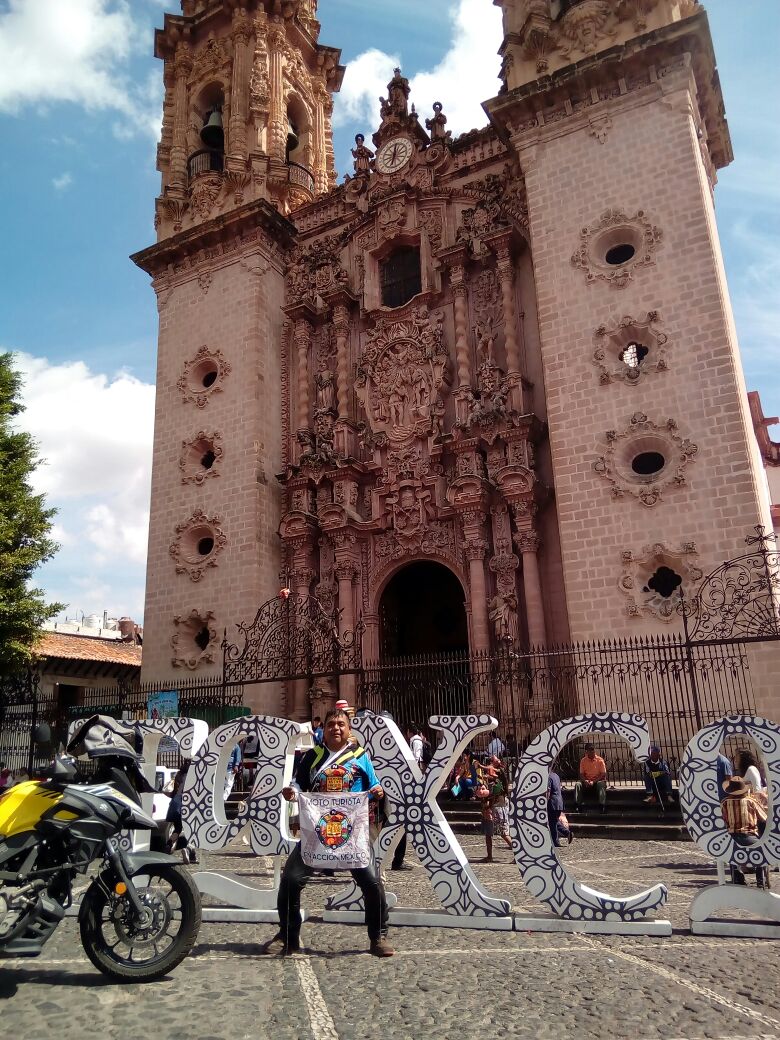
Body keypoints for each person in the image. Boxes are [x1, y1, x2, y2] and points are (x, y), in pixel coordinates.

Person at [262, 707, 394, 957]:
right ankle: (287, 936)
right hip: (317, 832)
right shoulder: (313, 756)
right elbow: (298, 782)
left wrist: (377, 791)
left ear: (349, 729)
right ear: (324, 729)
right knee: (291, 880)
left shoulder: (360, 756)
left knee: (372, 883)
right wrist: (292, 791)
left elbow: (374, 783)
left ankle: (379, 936)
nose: (336, 728)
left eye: (341, 724)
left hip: (352, 834)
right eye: (332, 724)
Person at [721, 776, 770, 889]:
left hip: (731, 837)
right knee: (762, 852)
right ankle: (760, 881)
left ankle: (737, 879)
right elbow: (763, 818)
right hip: (749, 836)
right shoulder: (750, 801)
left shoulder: (724, 802)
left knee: (732, 855)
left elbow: (722, 819)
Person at [166, 762, 198, 864]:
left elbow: (175, 791)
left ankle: (169, 843)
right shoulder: (194, 776)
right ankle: (188, 850)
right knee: (194, 830)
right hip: (188, 803)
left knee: (178, 828)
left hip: (176, 802)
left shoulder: (179, 775)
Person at [574, 743, 607, 814]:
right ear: (586, 752)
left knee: (601, 784)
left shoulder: (600, 760)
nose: (592, 753)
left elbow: (603, 774)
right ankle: (577, 805)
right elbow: (581, 774)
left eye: (593, 751)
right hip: (587, 781)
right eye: (590, 751)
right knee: (577, 784)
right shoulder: (583, 761)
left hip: (597, 781)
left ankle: (602, 806)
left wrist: (594, 782)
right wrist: (585, 781)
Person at [547, 767, 568, 847]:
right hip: (559, 802)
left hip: (552, 802)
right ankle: (566, 832)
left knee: (552, 822)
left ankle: (556, 842)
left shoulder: (548, 777)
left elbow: (548, 791)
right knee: (554, 821)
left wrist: (545, 801)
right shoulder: (556, 775)